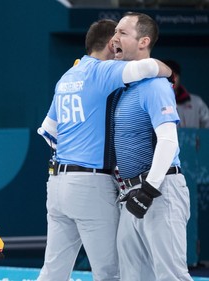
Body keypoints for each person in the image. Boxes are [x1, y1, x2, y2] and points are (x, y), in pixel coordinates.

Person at [36, 19, 171, 281]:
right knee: (112, 273)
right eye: (118, 38)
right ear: (111, 44)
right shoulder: (102, 71)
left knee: (53, 271)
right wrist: (170, 72)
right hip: (90, 184)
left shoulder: (68, 76)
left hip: (57, 183)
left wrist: (75, 149)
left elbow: (48, 130)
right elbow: (149, 66)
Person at [112, 12, 193, 281]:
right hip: (131, 193)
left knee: (171, 276)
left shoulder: (156, 86)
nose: (115, 38)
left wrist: (148, 190)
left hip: (159, 191)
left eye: (123, 32)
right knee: (132, 277)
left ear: (144, 41)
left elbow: (169, 141)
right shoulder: (126, 88)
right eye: (115, 32)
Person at [163, 59, 209, 128]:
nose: (172, 79)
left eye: (174, 75)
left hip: (193, 139)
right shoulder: (154, 103)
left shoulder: (196, 102)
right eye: (167, 76)